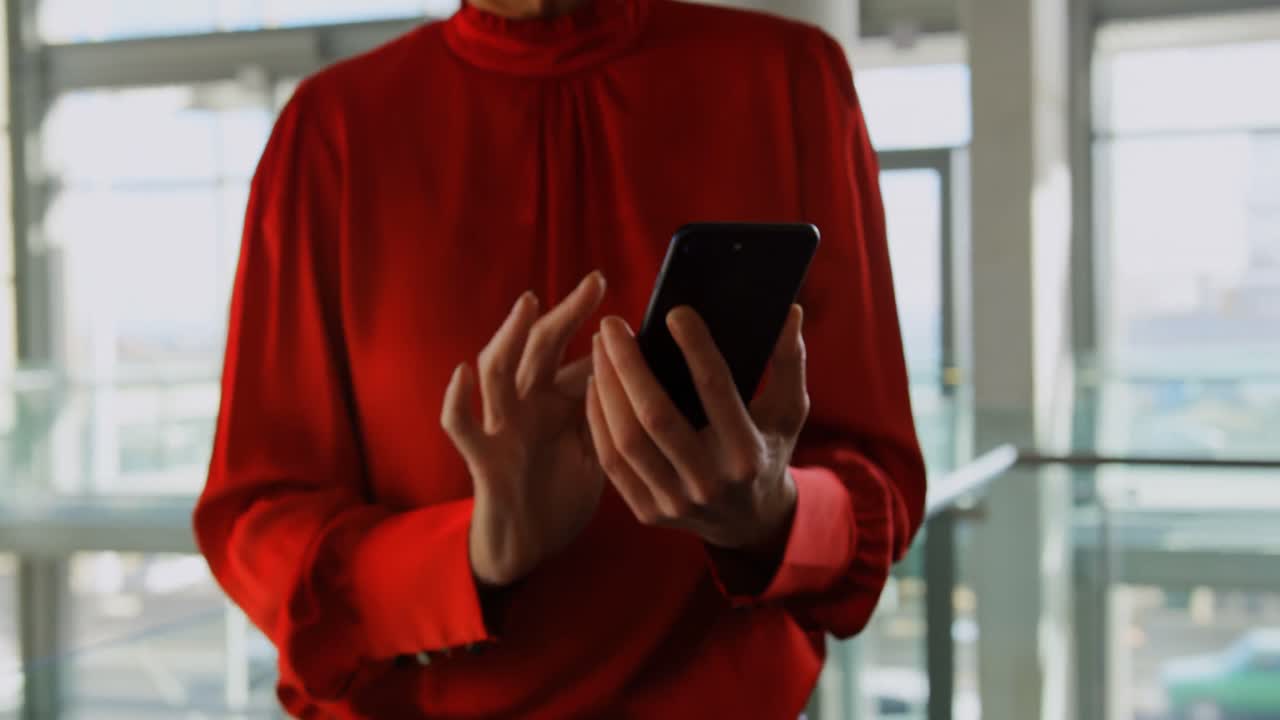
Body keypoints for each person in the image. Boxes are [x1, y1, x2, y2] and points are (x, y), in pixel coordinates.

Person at [193, 0, 926, 716]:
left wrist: (770, 514)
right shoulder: (332, 126)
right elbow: (257, 519)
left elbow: (877, 488)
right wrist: (471, 554)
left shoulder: (790, 78)